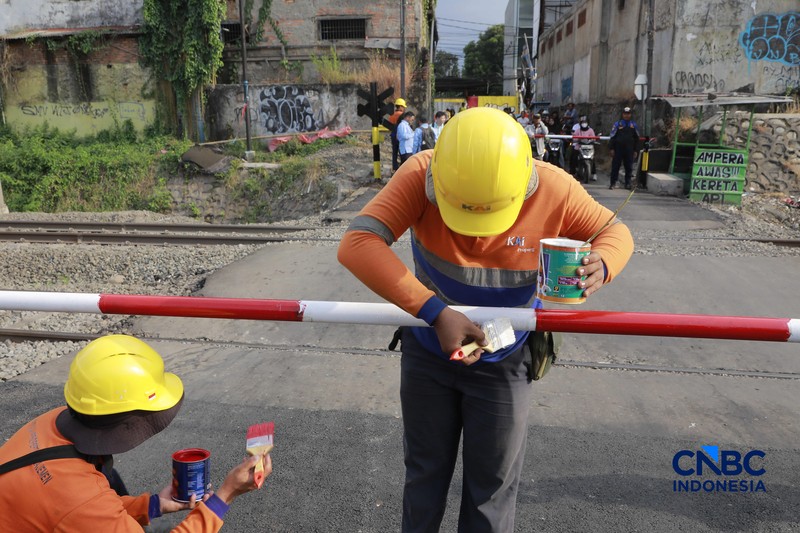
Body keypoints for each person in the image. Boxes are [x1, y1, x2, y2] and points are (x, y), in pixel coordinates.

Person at [337, 107, 633, 532]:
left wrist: (601, 264)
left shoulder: (554, 187)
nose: (476, 232)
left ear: (523, 180)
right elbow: (357, 243)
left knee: (491, 491)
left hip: (504, 364)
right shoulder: (421, 174)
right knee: (424, 476)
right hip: (429, 358)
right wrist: (435, 313)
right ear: (439, 174)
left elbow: (616, 233)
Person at [0, 334, 272, 532]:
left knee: (111, 480)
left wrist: (153, 505)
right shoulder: (79, 498)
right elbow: (83, 507)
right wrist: (225, 496)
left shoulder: (49, 422)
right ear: (128, 425)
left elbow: (89, 510)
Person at [609, 106, 641, 190]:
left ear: (630, 115)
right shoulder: (617, 124)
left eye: (628, 114)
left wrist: (635, 150)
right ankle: (613, 183)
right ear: (622, 114)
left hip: (629, 150)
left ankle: (628, 183)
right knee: (615, 166)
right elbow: (612, 137)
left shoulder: (633, 125)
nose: (626, 115)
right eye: (625, 114)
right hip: (618, 149)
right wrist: (611, 148)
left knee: (629, 167)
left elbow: (637, 139)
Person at [570, 115, 598, 181]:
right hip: (579, 147)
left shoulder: (591, 130)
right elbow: (574, 137)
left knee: (592, 159)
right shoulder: (577, 130)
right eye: (583, 122)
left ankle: (594, 173)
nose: (584, 124)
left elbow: (594, 138)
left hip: (589, 148)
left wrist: (592, 140)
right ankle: (573, 172)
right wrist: (576, 140)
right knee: (574, 156)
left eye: (585, 122)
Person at [387, 98, 408, 172]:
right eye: (403, 107)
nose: (404, 109)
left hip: (393, 134)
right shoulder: (403, 115)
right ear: (401, 107)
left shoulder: (391, 115)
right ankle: (403, 166)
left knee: (394, 151)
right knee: (402, 151)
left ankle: (395, 167)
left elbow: (389, 125)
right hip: (400, 135)